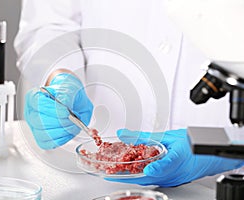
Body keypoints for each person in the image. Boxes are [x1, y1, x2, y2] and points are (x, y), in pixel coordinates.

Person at [14, 0, 244, 187]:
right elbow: (49, 24)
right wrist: (60, 75)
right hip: (97, 176)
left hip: (226, 180)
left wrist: (231, 146)